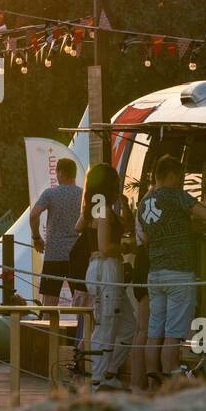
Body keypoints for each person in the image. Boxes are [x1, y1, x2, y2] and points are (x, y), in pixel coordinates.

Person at [139, 156, 206, 382]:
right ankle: (170, 386)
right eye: (181, 178)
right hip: (179, 273)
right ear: (172, 176)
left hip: (155, 273)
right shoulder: (176, 195)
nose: (182, 182)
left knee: (154, 332)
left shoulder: (145, 202)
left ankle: (154, 385)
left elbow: (145, 237)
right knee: (173, 334)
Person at [80, 163, 136, 392]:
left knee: (127, 325)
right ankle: (95, 379)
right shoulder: (103, 209)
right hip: (106, 268)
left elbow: (78, 227)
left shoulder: (93, 208)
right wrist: (123, 248)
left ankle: (108, 373)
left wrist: (124, 208)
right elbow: (104, 247)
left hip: (97, 269)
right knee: (106, 324)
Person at [29, 158, 85, 307]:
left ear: (60, 172)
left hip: (54, 254)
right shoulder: (83, 195)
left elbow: (34, 215)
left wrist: (36, 237)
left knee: (50, 302)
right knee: (81, 301)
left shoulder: (50, 194)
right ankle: (81, 330)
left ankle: (49, 329)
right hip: (76, 253)